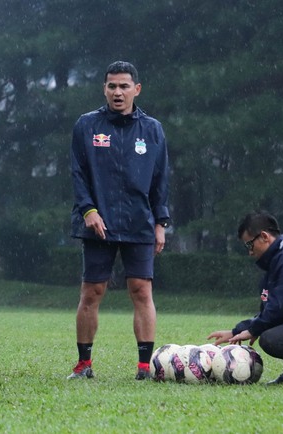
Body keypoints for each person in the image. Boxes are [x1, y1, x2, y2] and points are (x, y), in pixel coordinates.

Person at [68, 61, 171, 380]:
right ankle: (84, 365)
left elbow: (160, 179)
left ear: (136, 90)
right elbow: (77, 173)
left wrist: (161, 222)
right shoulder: (87, 125)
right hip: (97, 222)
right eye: (112, 86)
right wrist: (89, 210)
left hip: (140, 222)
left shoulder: (152, 129)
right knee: (92, 292)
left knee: (141, 291)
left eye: (124, 86)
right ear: (104, 89)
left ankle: (144, 368)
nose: (117, 92)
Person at [208, 211, 283, 385]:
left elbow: (279, 308)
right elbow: (269, 312)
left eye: (249, 245)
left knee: (271, 339)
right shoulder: (277, 262)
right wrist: (236, 331)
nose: (249, 252)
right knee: (275, 327)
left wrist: (254, 330)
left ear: (264, 237)